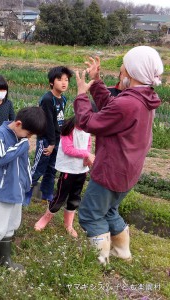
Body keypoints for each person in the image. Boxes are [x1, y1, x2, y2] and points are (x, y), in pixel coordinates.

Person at [74, 46, 163, 265]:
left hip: (111, 171)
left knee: (90, 214)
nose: (120, 69)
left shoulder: (129, 103)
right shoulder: (144, 97)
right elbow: (114, 108)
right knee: (110, 210)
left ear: (131, 72)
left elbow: (89, 122)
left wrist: (81, 94)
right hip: (128, 171)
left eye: (123, 65)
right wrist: (97, 81)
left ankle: (100, 260)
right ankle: (122, 252)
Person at [0, 106, 46, 279]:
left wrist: (27, 184)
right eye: (29, 133)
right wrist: (22, 144)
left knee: (11, 225)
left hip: (17, 190)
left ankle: (4, 258)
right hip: (3, 191)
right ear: (18, 124)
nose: (29, 138)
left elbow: (24, 165)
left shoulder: (20, 137)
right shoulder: (2, 134)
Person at [33, 116, 94, 238]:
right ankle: (46, 218)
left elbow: (88, 145)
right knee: (60, 196)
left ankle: (68, 224)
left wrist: (87, 157)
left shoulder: (86, 130)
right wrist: (86, 154)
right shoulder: (68, 129)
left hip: (81, 170)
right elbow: (68, 149)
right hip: (68, 169)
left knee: (75, 197)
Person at [27, 66, 73, 203]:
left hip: (56, 140)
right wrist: (52, 143)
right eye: (59, 79)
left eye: (66, 80)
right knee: (38, 168)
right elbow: (48, 124)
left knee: (52, 169)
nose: (64, 83)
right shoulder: (48, 99)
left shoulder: (63, 99)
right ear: (52, 82)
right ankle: (25, 194)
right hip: (46, 141)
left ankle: (47, 195)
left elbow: (58, 120)